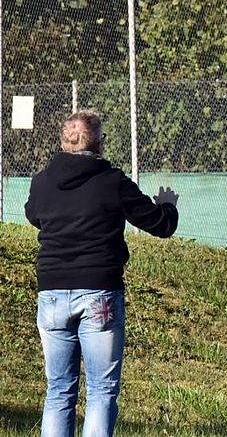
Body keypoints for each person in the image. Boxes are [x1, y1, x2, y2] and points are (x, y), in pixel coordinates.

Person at [25, 110, 179, 437]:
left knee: (58, 389)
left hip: (51, 294)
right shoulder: (112, 181)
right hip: (99, 293)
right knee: (101, 389)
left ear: (63, 143)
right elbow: (159, 224)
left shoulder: (41, 181)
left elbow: (33, 215)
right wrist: (168, 205)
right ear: (99, 144)